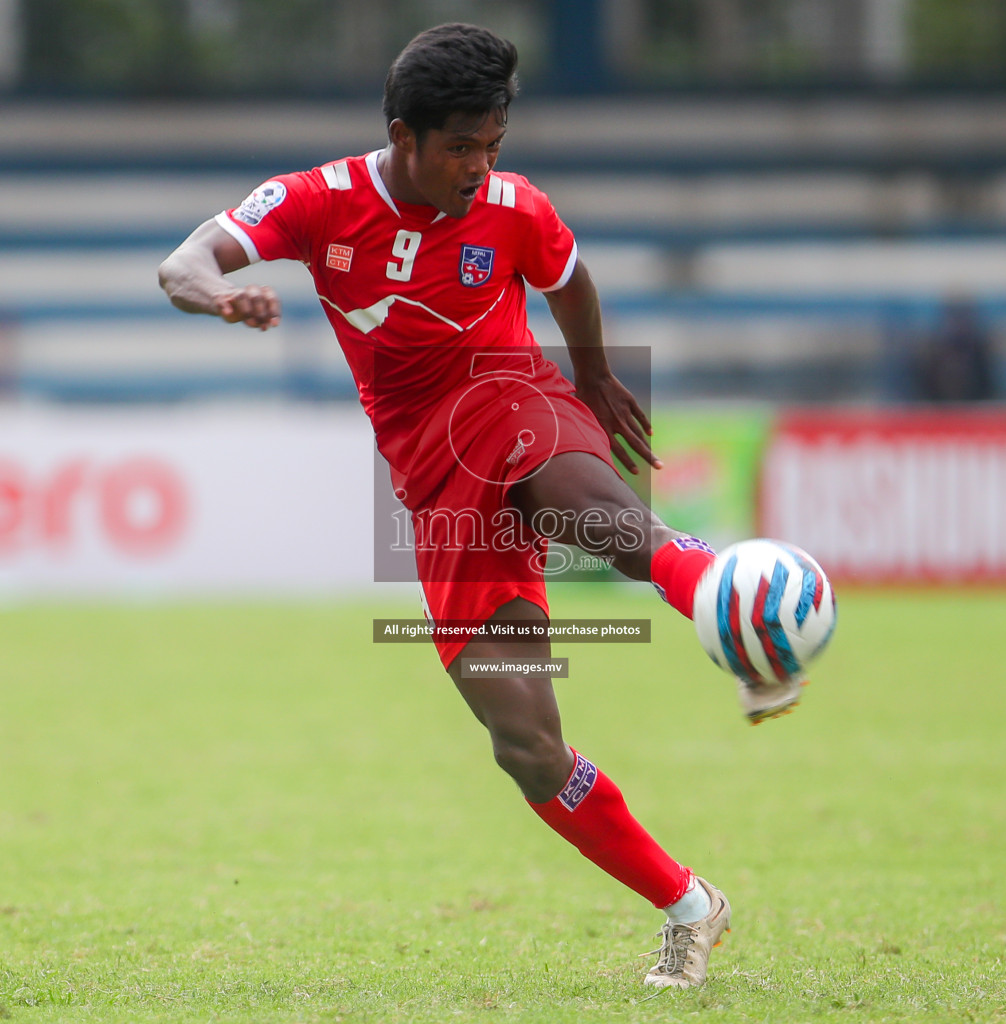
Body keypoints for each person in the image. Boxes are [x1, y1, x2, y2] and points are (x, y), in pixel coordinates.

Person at [158, 23, 798, 989]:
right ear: (402, 135)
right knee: (530, 749)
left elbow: (569, 277)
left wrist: (588, 377)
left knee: (617, 530)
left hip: (516, 401)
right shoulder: (318, 203)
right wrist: (218, 299)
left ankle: (746, 624)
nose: (478, 168)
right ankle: (690, 905)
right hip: (434, 481)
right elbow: (184, 262)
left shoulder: (512, 207)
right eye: (461, 147)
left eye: (492, 147)